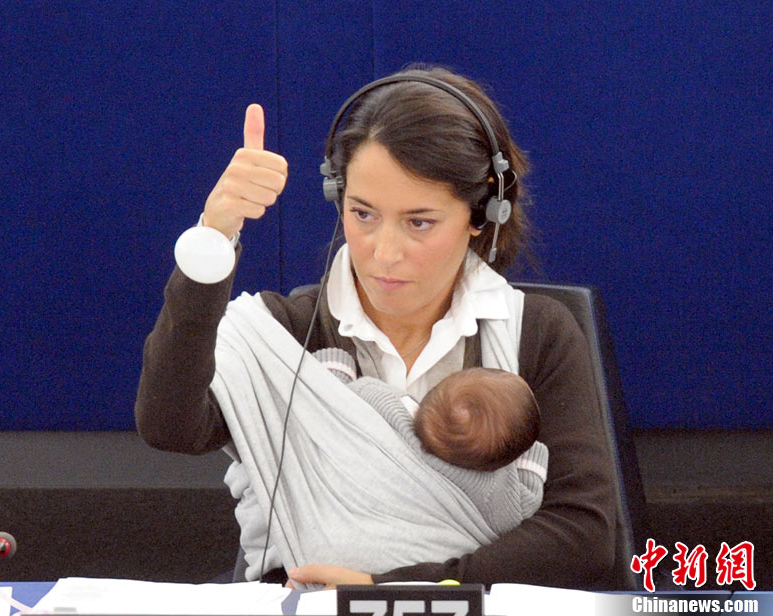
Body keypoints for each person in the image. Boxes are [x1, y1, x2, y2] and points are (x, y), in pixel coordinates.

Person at [135, 65, 617, 589]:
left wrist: (389, 590)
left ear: (483, 213)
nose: (384, 253)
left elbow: (584, 536)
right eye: (363, 214)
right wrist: (213, 238)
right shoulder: (282, 335)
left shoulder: (538, 334)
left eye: (419, 222)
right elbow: (169, 426)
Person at [315, 347, 545, 475]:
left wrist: (336, 363)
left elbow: (333, 400)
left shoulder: (386, 407)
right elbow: (525, 501)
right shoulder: (493, 495)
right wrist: (533, 456)